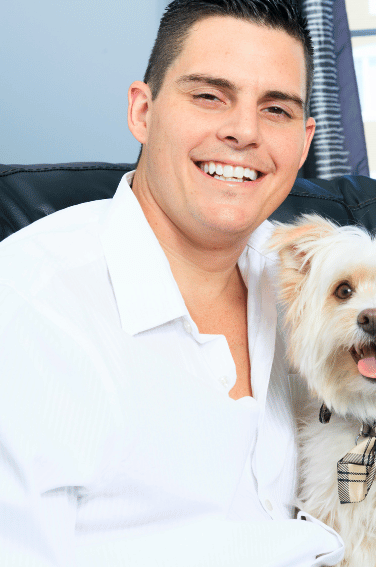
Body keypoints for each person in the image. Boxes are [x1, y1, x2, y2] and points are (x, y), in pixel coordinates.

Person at [0, 1, 344, 565]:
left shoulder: (316, 285)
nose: (243, 132)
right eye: (210, 96)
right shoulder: (29, 311)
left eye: (276, 109)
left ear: (305, 142)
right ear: (142, 110)